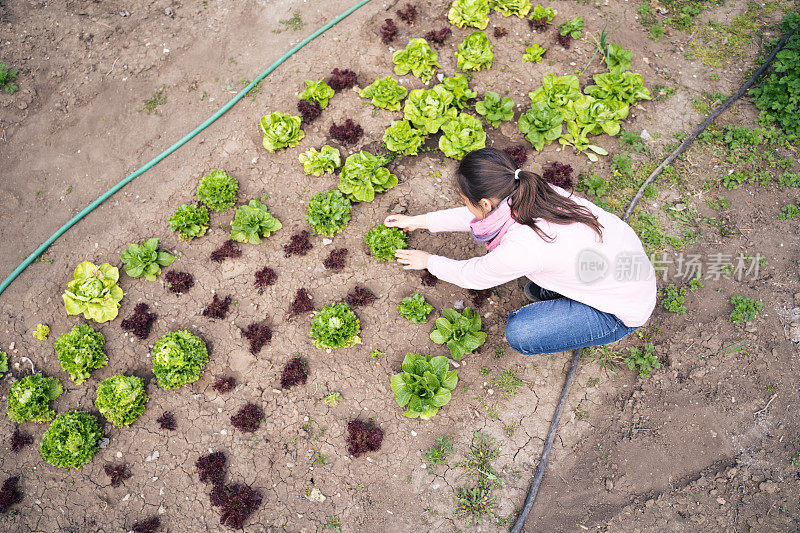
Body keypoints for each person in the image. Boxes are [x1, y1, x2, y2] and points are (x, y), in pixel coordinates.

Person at [384, 147, 656, 356]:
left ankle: (603, 324)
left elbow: (474, 275)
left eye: (466, 201)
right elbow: (478, 218)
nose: (465, 207)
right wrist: (418, 221)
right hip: (624, 270)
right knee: (535, 288)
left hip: (620, 310)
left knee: (522, 332)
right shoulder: (533, 189)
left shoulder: (523, 246)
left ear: (485, 203)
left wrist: (429, 261)